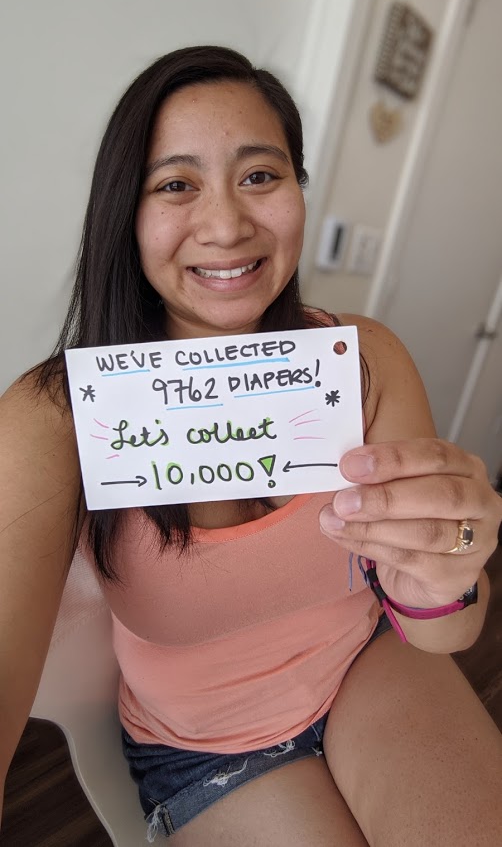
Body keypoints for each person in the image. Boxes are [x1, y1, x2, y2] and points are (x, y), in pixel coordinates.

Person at [1, 46, 501, 847]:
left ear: (299, 189)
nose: (229, 223)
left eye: (261, 175)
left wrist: (448, 567)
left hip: (366, 663)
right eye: (175, 184)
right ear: (123, 213)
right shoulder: (54, 417)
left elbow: (446, 631)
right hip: (202, 748)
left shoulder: (367, 361)